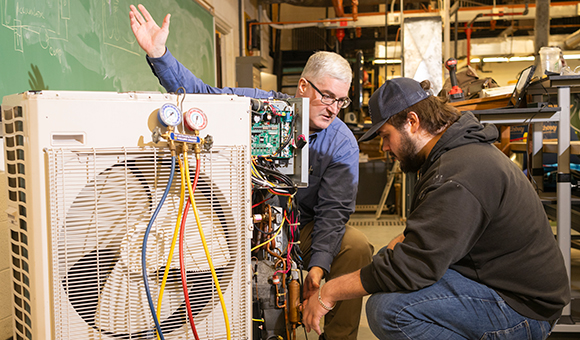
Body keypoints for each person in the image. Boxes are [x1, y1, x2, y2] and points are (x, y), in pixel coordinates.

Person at [129, 4, 374, 340]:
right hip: (238, 218)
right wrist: (160, 55)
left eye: (341, 101)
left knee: (356, 246)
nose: (333, 108)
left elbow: (334, 214)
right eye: (327, 96)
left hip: (301, 229)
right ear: (303, 86)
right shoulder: (256, 108)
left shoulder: (341, 143)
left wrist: (317, 270)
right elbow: (203, 96)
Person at [302, 77, 571, 340]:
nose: (384, 148)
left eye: (386, 136)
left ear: (412, 122)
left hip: (523, 308)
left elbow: (414, 266)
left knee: (390, 311)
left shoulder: (459, 173)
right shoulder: (449, 155)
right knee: (387, 259)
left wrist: (330, 292)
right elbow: (418, 241)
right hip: (491, 278)